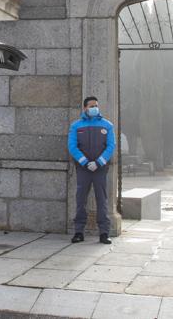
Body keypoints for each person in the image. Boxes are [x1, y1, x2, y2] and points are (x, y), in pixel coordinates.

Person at [67, 96, 116, 244]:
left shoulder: (107, 125)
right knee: (80, 200)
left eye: (96, 105)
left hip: (100, 169)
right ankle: (79, 232)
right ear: (85, 108)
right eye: (91, 106)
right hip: (83, 169)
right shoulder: (76, 126)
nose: (95, 108)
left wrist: (99, 162)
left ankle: (104, 233)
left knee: (102, 200)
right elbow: (72, 146)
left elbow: (110, 146)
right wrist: (85, 162)